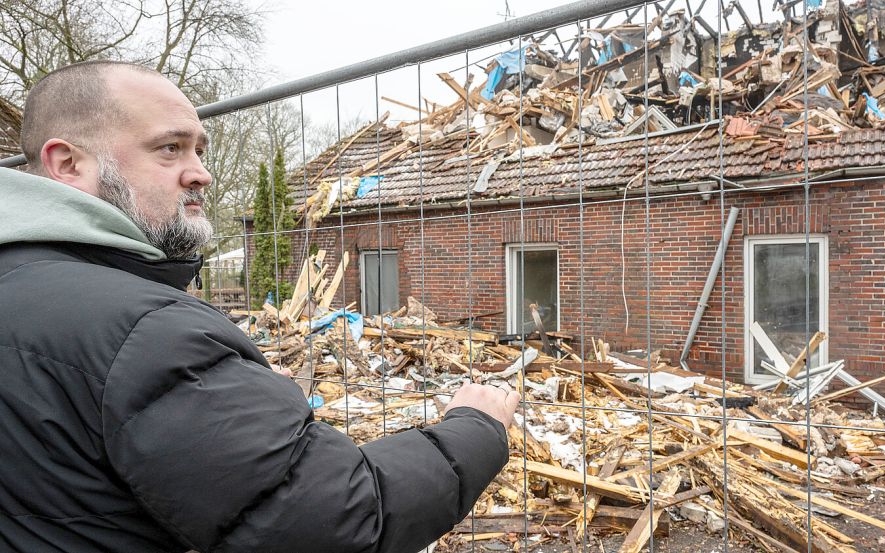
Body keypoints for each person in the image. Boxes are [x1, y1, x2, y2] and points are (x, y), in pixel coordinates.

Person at [0, 60, 521, 553]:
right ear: (68, 163)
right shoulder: (144, 333)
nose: (200, 172)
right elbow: (338, 520)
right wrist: (475, 426)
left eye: (199, 150)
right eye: (169, 148)